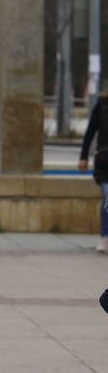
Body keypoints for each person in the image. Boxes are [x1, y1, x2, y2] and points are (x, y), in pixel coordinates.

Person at [79, 92, 108, 253]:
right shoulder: (102, 105)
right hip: (104, 161)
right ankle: (105, 236)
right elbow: (90, 133)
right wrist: (83, 157)